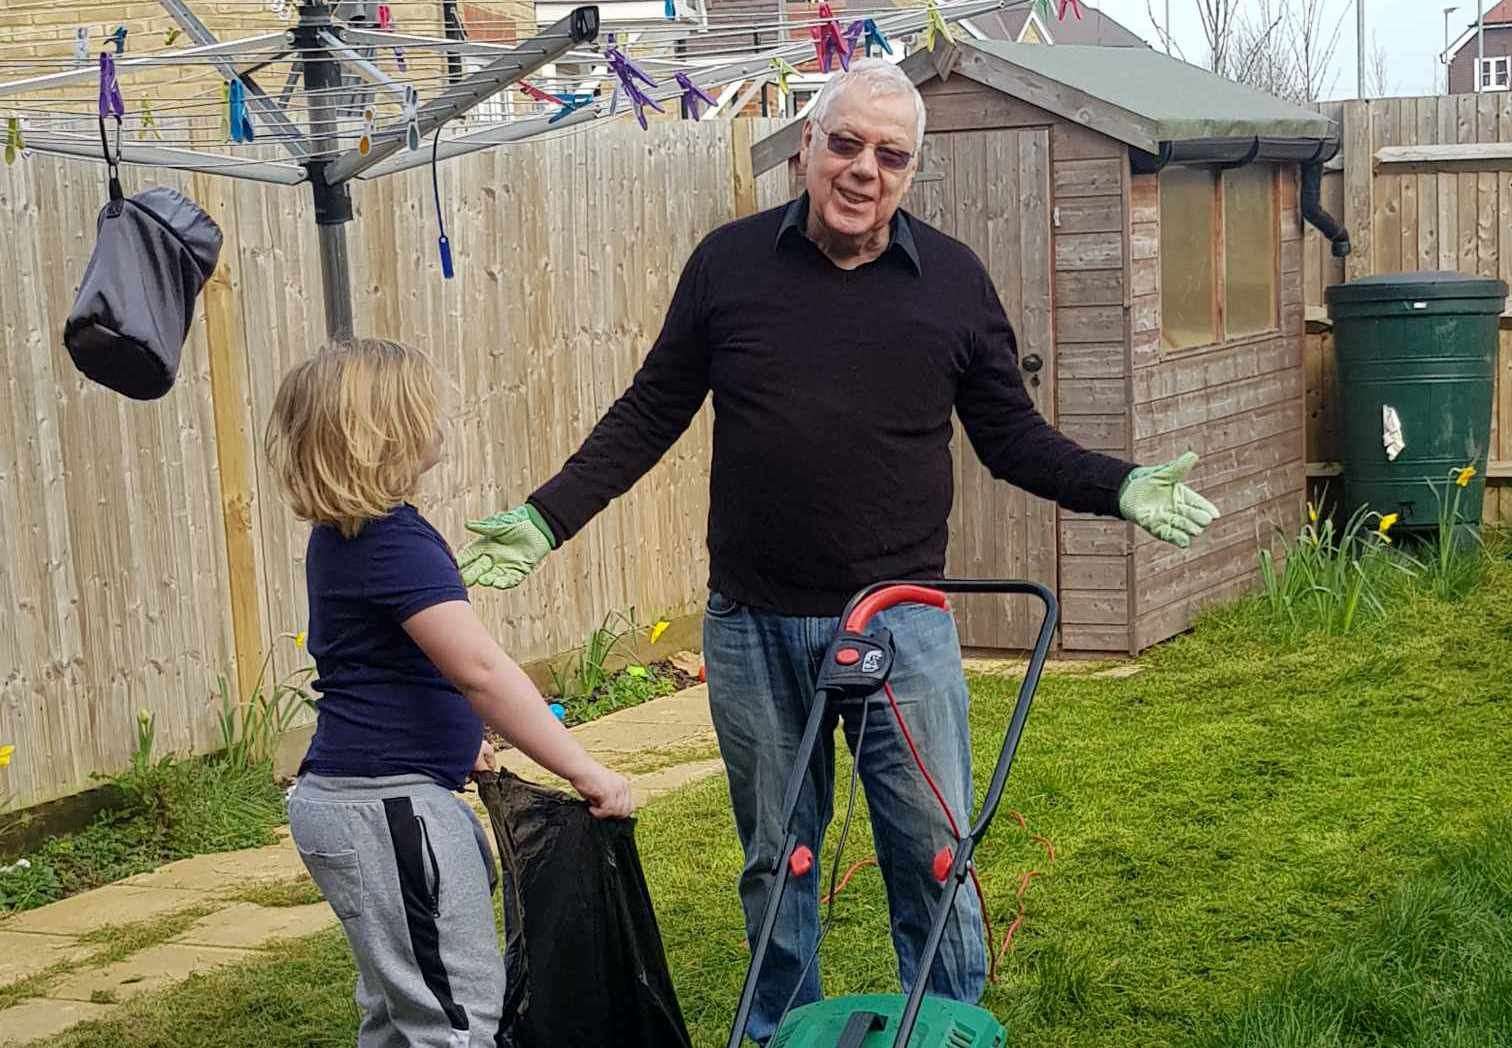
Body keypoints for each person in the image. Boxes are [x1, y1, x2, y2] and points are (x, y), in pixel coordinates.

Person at [456, 60, 1218, 1044]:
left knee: (934, 853)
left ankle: (948, 1024)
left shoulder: (950, 282)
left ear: (910, 173)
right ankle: (777, 1031)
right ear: (808, 144)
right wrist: (548, 516)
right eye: (847, 143)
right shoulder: (727, 266)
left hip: (902, 624)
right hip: (754, 622)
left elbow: (1012, 440)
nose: (864, 169)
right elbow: (651, 409)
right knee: (779, 860)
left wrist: (1117, 483)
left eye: (890, 156)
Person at [264, 338, 634, 1047]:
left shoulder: (348, 535)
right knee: (455, 1021)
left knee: (402, 1014)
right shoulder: (391, 541)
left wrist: (461, 744)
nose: (441, 418)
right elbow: (481, 672)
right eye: (425, 406)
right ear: (387, 431)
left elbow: (381, 665)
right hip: (387, 808)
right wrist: (587, 771)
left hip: (362, 800)